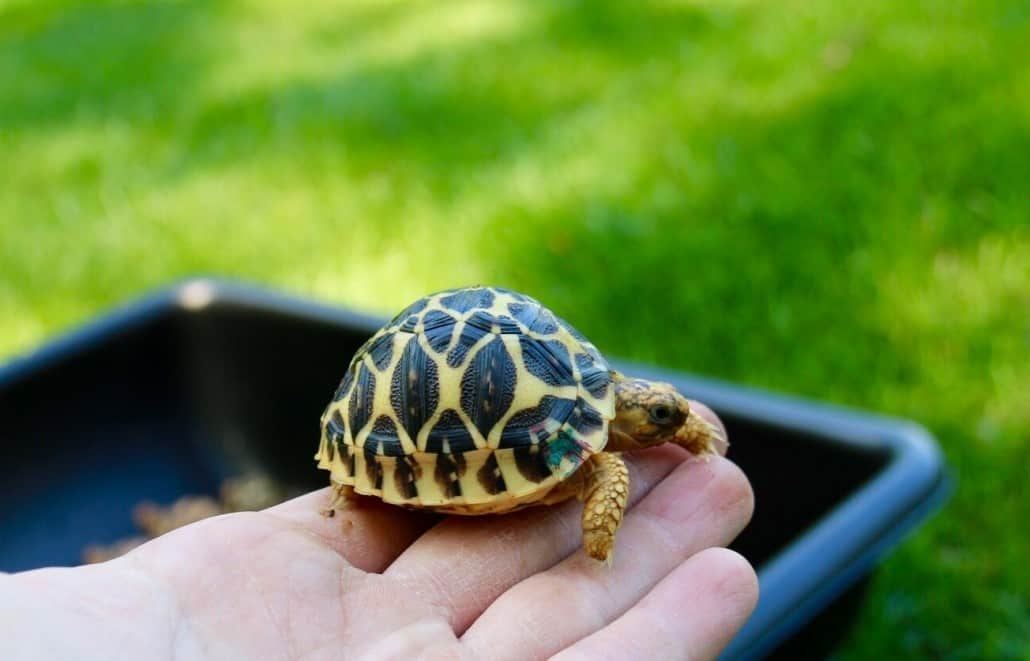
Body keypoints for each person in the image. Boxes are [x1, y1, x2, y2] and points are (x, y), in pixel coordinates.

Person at [0, 404, 756, 660]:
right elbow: (606, 474)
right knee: (614, 474)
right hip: (404, 424)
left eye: (662, 418)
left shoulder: (610, 417)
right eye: (657, 420)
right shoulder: (601, 461)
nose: (665, 426)